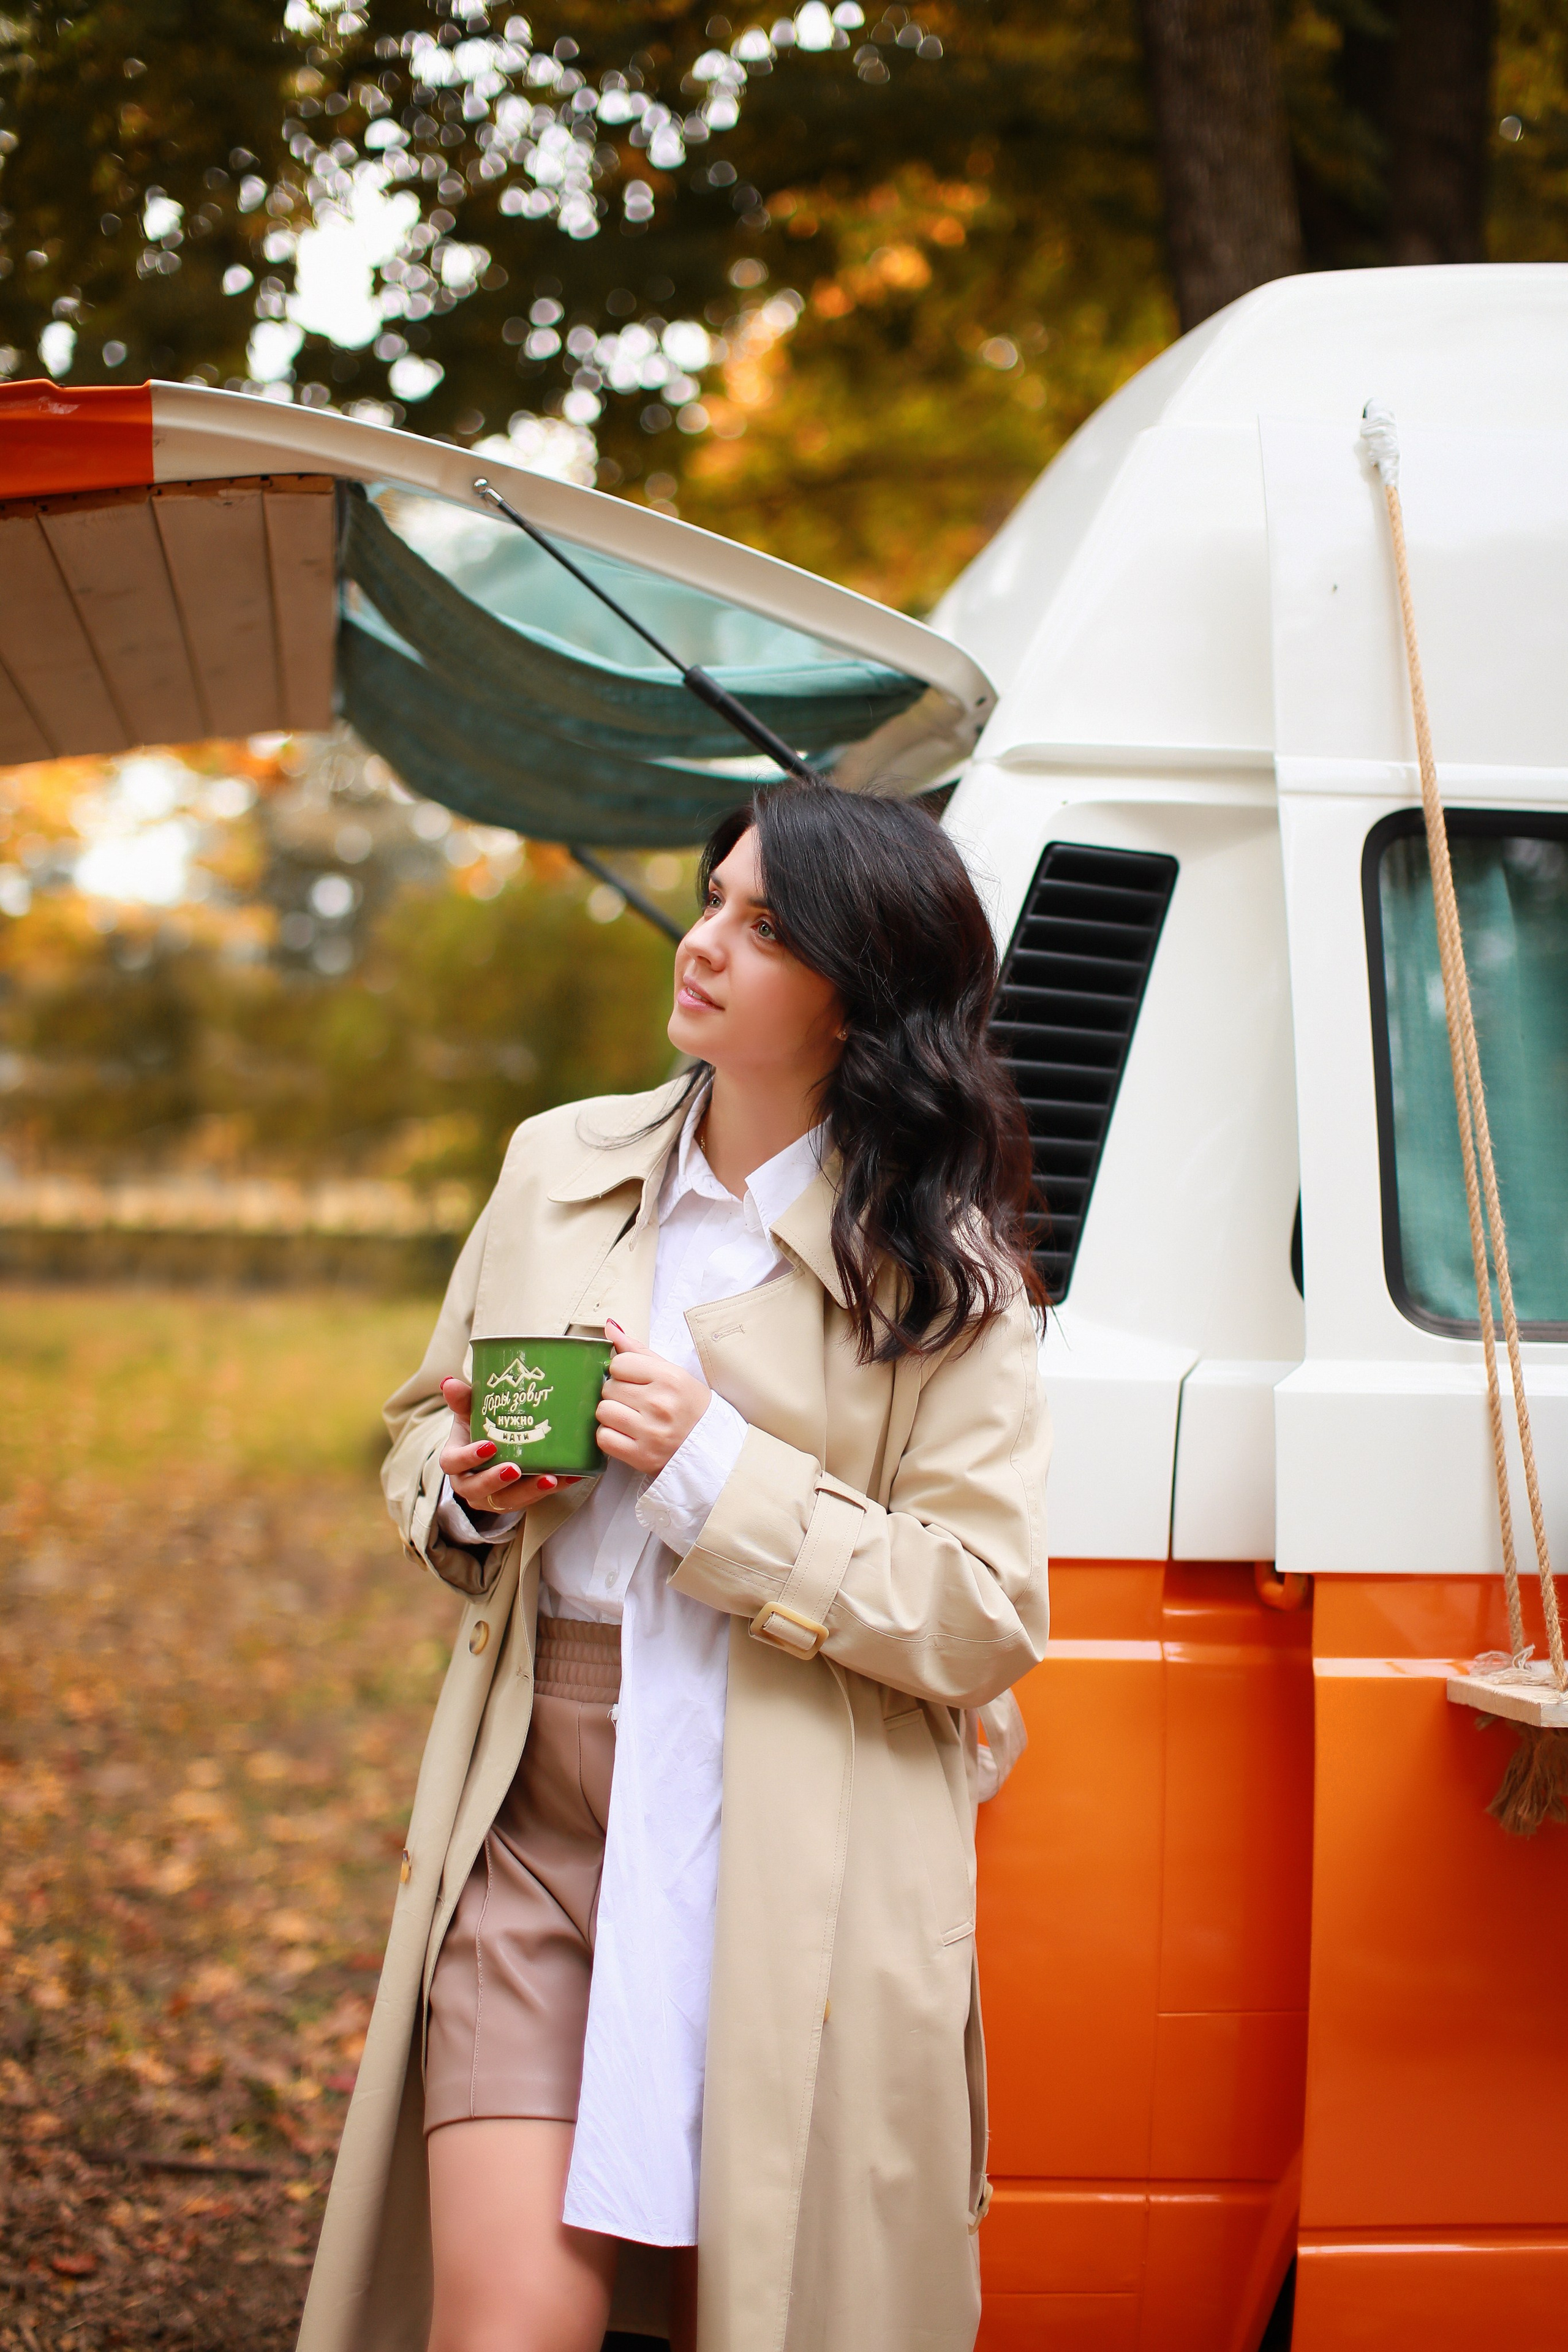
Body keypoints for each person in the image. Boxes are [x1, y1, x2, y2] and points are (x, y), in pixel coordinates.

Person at [296, 780, 1051, 2352]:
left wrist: (714, 1466)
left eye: (764, 927)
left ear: (860, 996)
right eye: (713, 897)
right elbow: (412, 1426)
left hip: (796, 1843)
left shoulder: (951, 1275)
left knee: (769, 2311)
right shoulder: (554, 1165)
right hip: (539, 1816)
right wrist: (474, 1492)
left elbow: (981, 1611)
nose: (702, 943)